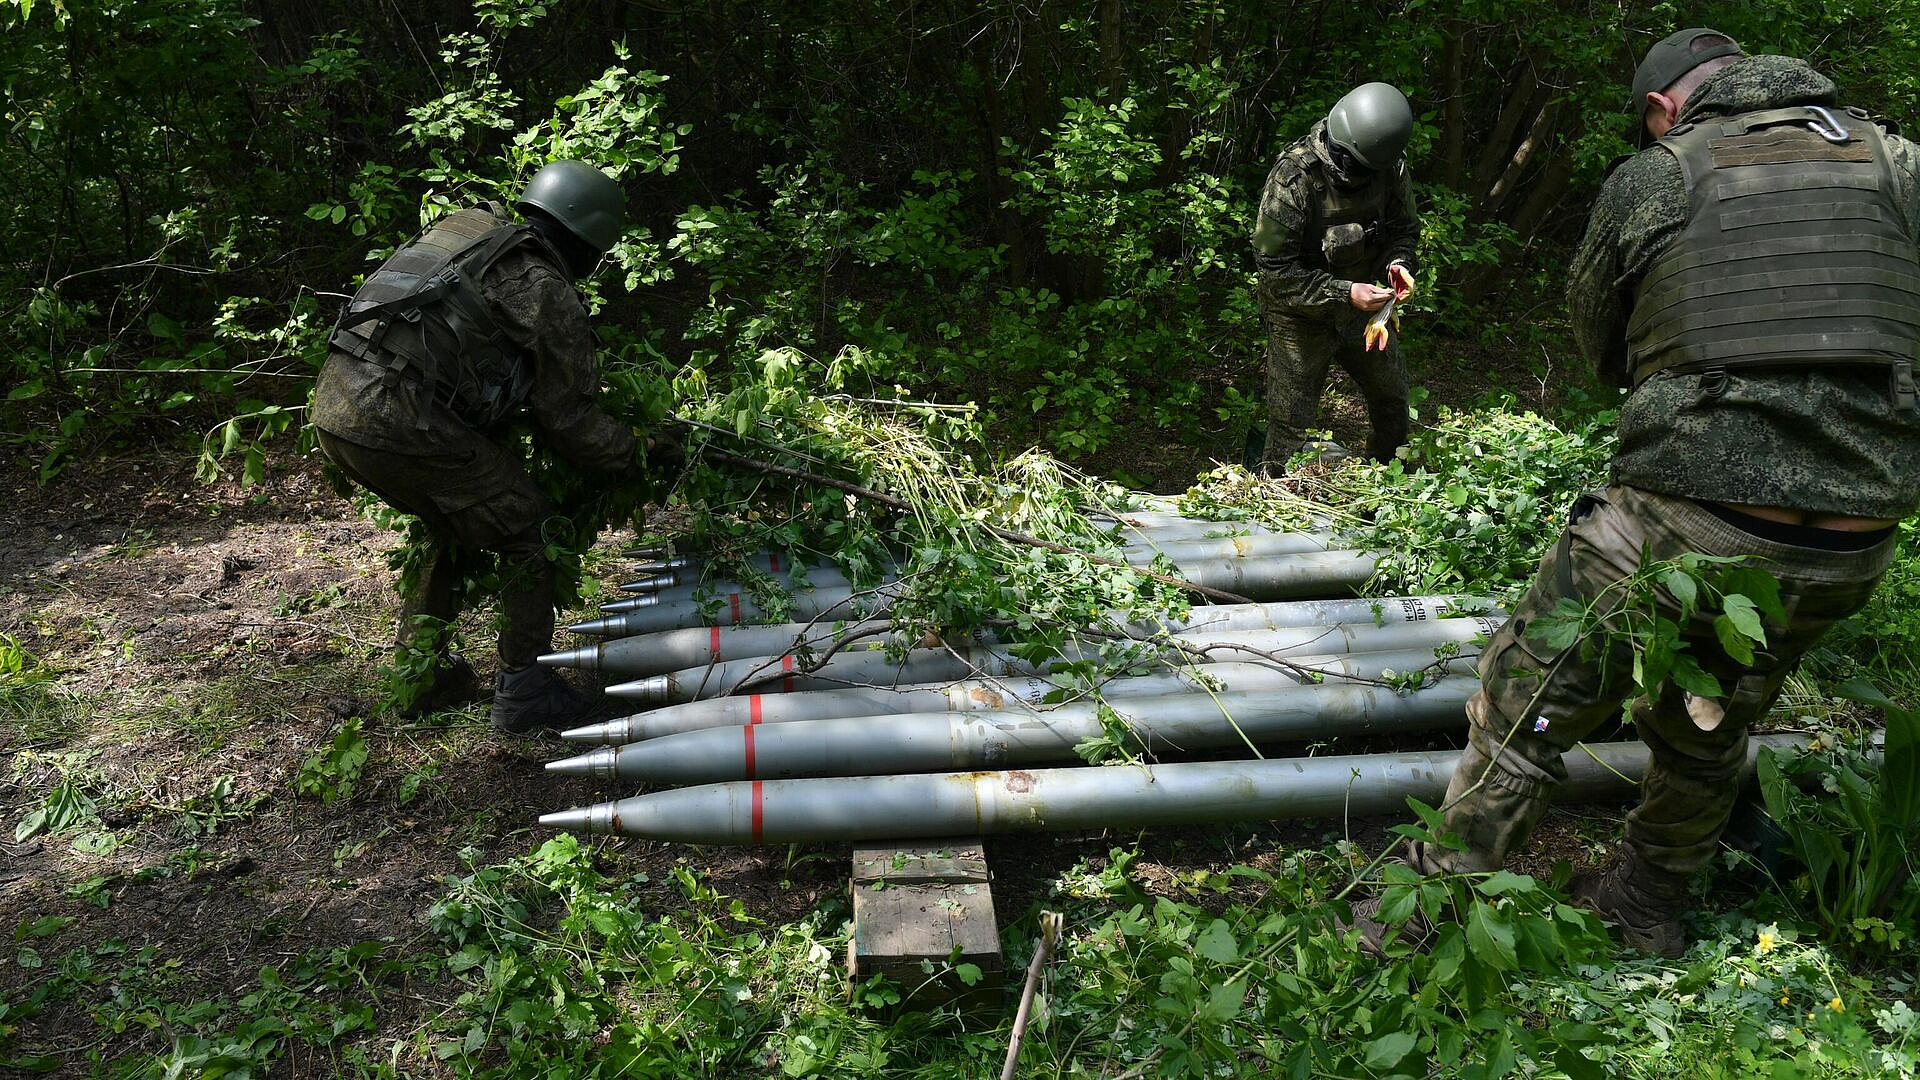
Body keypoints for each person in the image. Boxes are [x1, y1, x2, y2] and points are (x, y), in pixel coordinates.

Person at [1355, 30, 1920, 957]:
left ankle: (1427, 916)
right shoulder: (1899, 166)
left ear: (1665, 109)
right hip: (1853, 542)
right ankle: (1645, 903)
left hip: (1683, 520)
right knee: (1712, 713)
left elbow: (1603, 349)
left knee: (1525, 701)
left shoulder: (1660, 175)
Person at [313, 160, 678, 734]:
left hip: (338, 403)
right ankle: (525, 687)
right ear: (585, 240)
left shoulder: (468, 227)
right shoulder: (545, 288)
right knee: (530, 529)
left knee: (454, 518)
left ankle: (422, 673)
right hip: (402, 420)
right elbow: (570, 420)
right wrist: (640, 448)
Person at [1250, 81, 1421, 474]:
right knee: (1291, 423)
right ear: (1342, 148)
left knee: (1392, 401)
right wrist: (1345, 293)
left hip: (1366, 312)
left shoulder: (1389, 166)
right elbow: (1273, 271)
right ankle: (1274, 502)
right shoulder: (1290, 180)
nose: (1363, 178)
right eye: (1357, 169)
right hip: (1299, 316)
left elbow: (1404, 230)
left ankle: (1390, 489)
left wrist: (1399, 264)